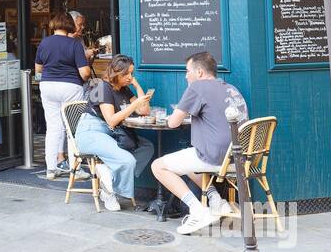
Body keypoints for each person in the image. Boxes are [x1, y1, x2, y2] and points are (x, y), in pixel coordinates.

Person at [150, 51, 249, 236]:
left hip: (215, 157)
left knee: (158, 166)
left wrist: (176, 115)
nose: (186, 75)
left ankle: (198, 210)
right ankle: (216, 200)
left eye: (188, 71)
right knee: (189, 159)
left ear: (200, 73)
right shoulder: (231, 89)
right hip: (240, 158)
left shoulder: (197, 87)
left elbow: (173, 123)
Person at [74, 55, 156, 211]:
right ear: (115, 72)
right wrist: (134, 106)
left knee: (147, 147)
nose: (129, 77)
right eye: (126, 74)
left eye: (132, 74)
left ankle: (109, 174)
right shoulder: (100, 87)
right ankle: (109, 192)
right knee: (127, 161)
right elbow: (111, 120)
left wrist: (137, 85)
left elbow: (144, 111)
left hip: (112, 132)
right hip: (91, 132)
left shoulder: (124, 88)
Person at [34, 12, 92, 179]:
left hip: (48, 86)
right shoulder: (74, 44)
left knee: (53, 128)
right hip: (70, 87)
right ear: (70, 26)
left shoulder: (44, 42)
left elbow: (38, 69)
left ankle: (51, 169)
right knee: (73, 128)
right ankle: (76, 169)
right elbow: (85, 73)